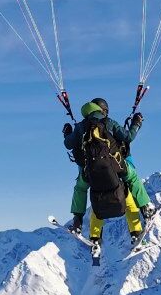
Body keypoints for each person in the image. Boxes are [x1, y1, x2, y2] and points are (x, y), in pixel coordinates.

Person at [63, 97, 154, 246]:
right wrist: (136, 123)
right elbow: (128, 137)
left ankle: (79, 223)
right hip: (115, 167)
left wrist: (67, 132)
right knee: (131, 181)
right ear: (103, 110)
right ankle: (145, 209)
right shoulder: (109, 122)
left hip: (90, 172)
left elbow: (68, 144)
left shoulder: (81, 126)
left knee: (84, 191)